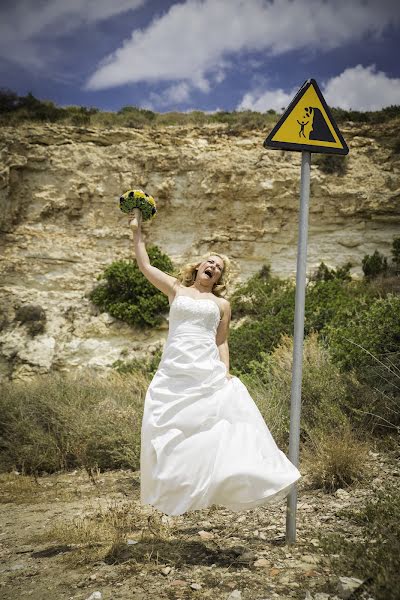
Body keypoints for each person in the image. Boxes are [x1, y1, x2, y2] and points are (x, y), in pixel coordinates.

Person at [130, 211, 301, 516]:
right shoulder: (176, 290)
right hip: (174, 370)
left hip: (206, 369)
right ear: (197, 267)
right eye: (210, 262)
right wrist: (137, 231)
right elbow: (145, 265)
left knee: (217, 427)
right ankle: (177, 483)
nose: (213, 267)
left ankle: (226, 478)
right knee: (169, 426)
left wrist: (225, 371)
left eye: (219, 268)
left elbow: (221, 341)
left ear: (220, 278)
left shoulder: (222, 304)